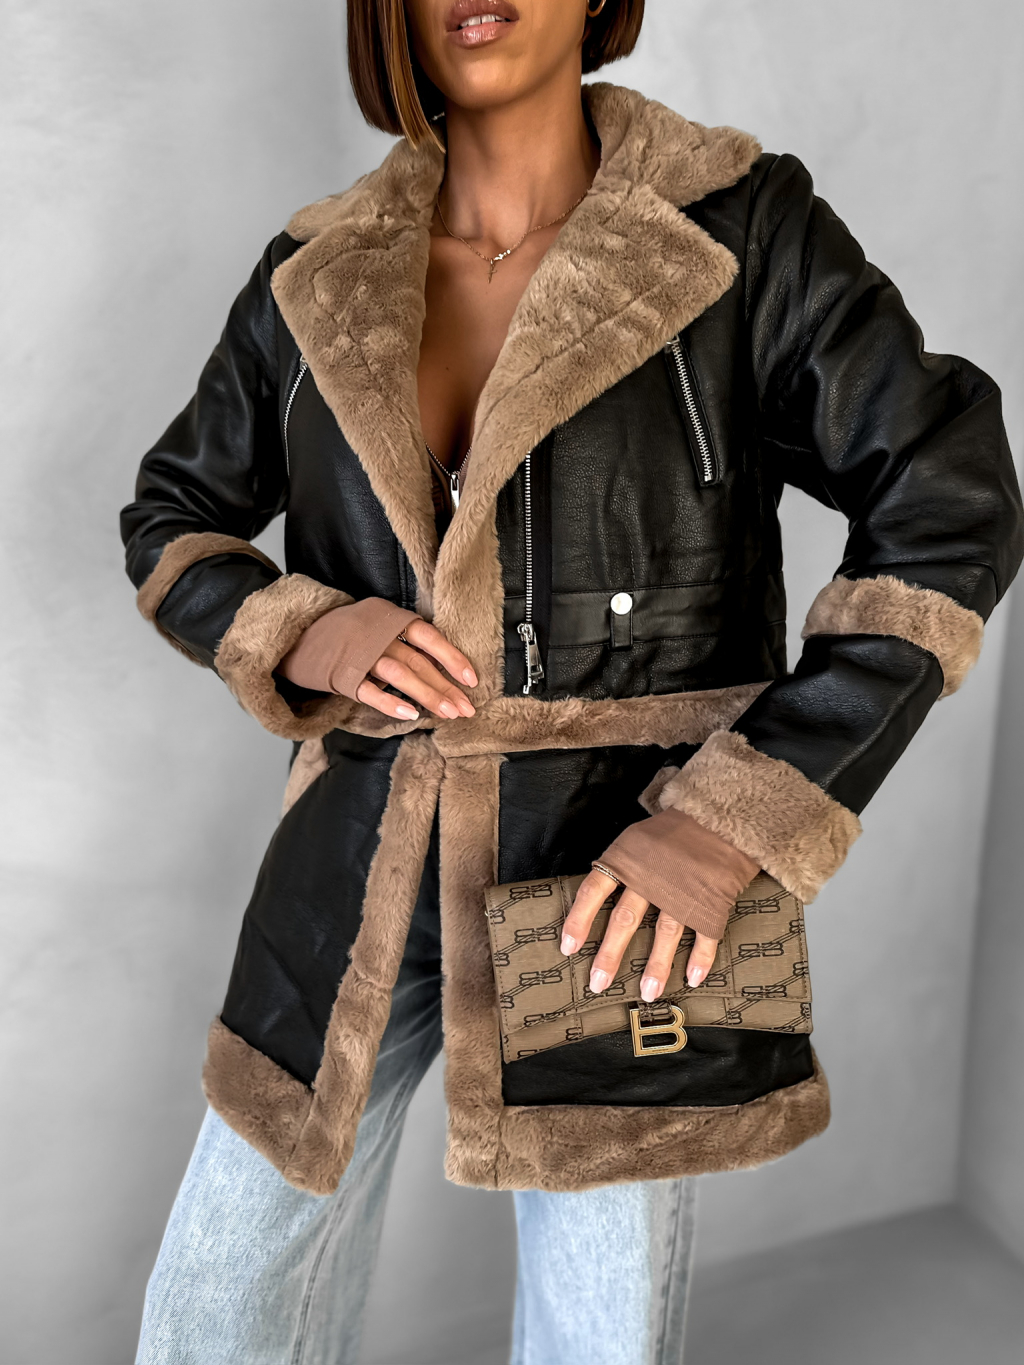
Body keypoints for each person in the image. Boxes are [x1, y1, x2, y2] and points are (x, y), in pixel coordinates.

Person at [121, 1, 1023, 1361]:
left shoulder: (740, 231)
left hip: (617, 877)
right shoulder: (315, 270)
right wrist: (303, 626)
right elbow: (173, 517)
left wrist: (729, 821)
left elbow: (950, 504)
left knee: (597, 1335)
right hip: (357, 852)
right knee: (218, 1300)